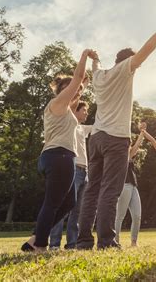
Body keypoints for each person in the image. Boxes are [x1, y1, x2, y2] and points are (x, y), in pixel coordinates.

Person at [77, 16, 156, 250]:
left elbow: (96, 65)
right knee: (110, 190)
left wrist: (94, 57)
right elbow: (148, 49)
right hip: (115, 139)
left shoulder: (99, 76)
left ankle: (83, 240)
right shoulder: (125, 69)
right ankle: (107, 241)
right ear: (129, 61)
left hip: (96, 139)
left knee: (91, 190)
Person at [21, 49, 94, 252]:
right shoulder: (57, 103)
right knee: (52, 203)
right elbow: (78, 79)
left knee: (69, 202)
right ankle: (41, 245)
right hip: (58, 156)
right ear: (63, 89)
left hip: (59, 157)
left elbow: (79, 88)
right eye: (71, 88)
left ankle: (36, 238)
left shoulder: (65, 109)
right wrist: (84, 55)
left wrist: (83, 86)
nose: (76, 91)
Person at [48, 101, 91, 250]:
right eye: (84, 110)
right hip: (73, 169)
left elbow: (100, 125)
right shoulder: (69, 125)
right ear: (76, 111)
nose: (86, 113)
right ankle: (54, 244)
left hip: (85, 172)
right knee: (63, 207)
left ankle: (72, 244)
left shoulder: (83, 128)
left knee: (77, 211)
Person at [114, 123, 146, 247]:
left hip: (133, 186)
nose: (130, 145)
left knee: (137, 216)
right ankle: (115, 241)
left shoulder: (130, 154)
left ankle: (134, 242)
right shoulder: (120, 156)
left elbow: (137, 145)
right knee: (120, 216)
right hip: (124, 186)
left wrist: (142, 132)